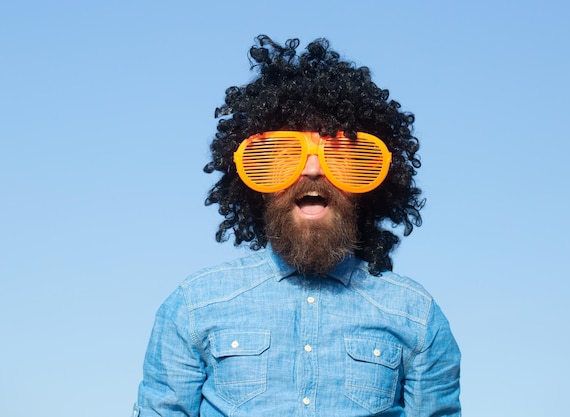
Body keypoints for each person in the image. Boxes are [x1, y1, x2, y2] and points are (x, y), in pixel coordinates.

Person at [132, 35, 461, 417]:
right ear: (252, 184)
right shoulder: (194, 305)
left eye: (343, 155)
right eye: (280, 154)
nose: (313, 168)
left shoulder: (416, 315)